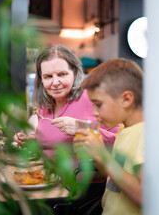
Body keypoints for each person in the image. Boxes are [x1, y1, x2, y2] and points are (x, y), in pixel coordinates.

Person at [13, 44, 119, 158]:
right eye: (48, 76)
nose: (55, 82)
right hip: (44, 174)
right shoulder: (46, 104)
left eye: (62, 74)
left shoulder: (92, 99)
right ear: (41, 79)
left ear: (74, 72)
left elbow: (121, 142)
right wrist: (33, 140)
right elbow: (55, 139)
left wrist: (81, 128)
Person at [73, 58, 143, 215]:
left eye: (98, 104)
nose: (95, 113)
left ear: (126, 99)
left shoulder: (145, 134)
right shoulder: (124, 129)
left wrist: (103, 155)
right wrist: (96, 156)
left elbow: (145, 197)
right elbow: (114, 177)